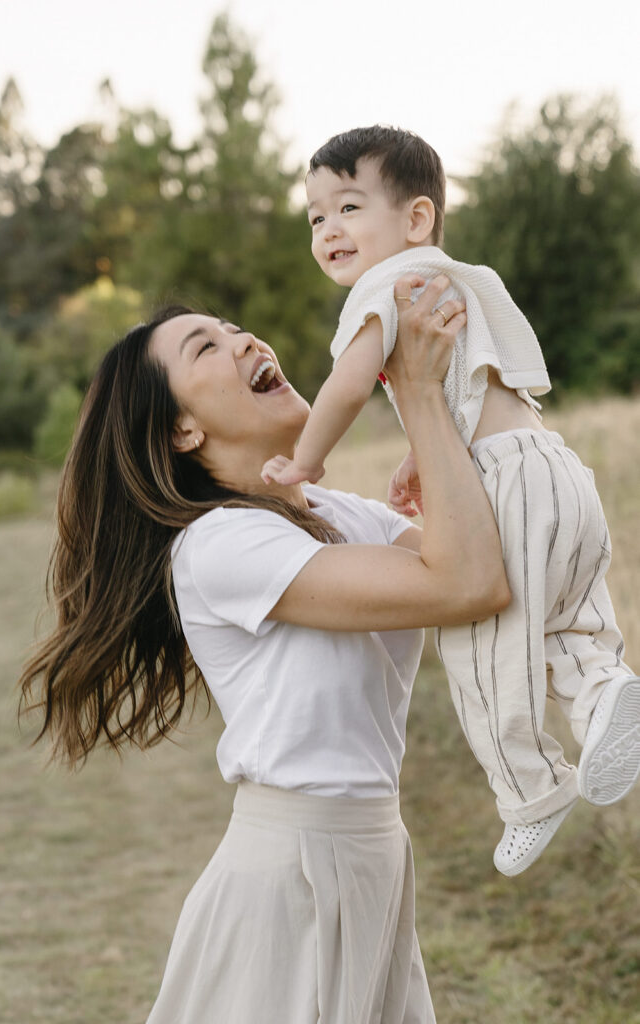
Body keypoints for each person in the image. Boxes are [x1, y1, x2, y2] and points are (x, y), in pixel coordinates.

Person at [19, 276, 510, 1024]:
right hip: (291, 881)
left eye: (232, 323)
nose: (243, 338)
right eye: (204, 346)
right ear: (182, 430)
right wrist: (414, 391)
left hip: (374, 854)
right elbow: (464, 584)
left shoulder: (340, 514)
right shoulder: (219, 545)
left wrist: (436, 442)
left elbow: (493, 569)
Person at [261, 125, 640, 877]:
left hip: (506, 484)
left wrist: (304, 461)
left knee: (481, 648)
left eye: (346, 207)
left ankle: (530, 792)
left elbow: (345, 385)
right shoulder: (454, 277)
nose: (328, 229)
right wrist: (421, 455)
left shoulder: (386, 286)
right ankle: (604, 695)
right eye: (314, 217)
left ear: (415, 219)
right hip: (552, 466)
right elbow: (472, 384)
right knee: (562, 618)